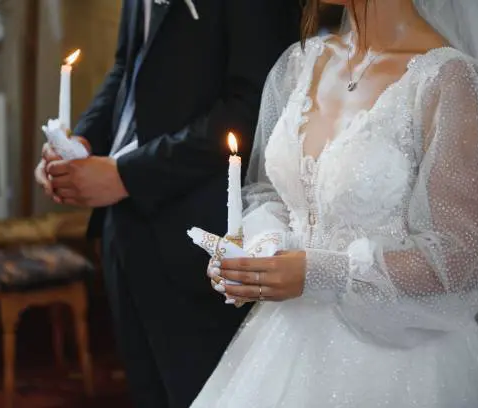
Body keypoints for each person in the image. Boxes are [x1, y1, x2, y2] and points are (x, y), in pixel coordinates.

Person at [194, 0, 478, 406]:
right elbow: (275, 194)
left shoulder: (446, 79)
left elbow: (462, 255)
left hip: (399, 359)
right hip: (283, 339)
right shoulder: (301, 61)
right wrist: (253, 256)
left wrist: (322, 271)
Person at [34, 1, 301, 407]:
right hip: (121, 222)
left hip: (199, 234)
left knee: (201, 391)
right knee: (147, 389)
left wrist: (126, 175)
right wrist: (82, 142)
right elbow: (127, 68)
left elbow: (249, 108)